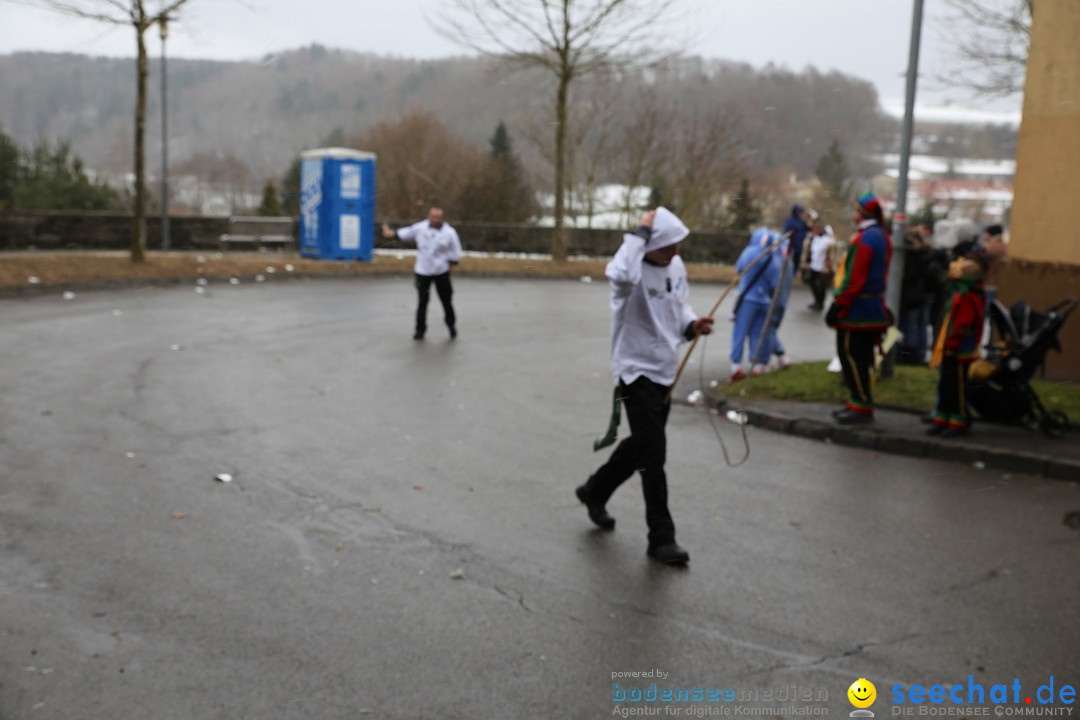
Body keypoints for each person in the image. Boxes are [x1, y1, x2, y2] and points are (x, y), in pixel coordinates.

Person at [576, 207, 713, 565]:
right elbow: (619, 273)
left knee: (641, 445)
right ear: (649, 243)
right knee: (653, 454)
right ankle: (661, 538)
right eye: (668, 246)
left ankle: (595, 490)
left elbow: (676, 306)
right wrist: (639, 234)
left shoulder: (676, 266)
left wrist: (692, 325)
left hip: (666, 369)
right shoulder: (630, 273)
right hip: (635, 372)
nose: (675, 253)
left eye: (679, 246)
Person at [826, 192, 893, 424]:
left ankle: (861, 405)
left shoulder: (865, 239)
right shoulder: (882, 235)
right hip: (872, 305)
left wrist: (839, 304)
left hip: (857, 310)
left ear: (863, 213)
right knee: (861, 358)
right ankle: (857, 403)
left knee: (851, 358)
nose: (854, 215)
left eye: (856, 211)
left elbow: (855, 279)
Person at [927, 252, 989, 437]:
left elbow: (962, 324)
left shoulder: (968, 297)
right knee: (946, 385)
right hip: (950, 347)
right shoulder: (960, 295)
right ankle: (942, 417)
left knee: (957, 387)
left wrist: (952, 344)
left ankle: (958, 420)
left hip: (959, 349)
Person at [382, 207, 463, 340]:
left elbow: (456, 250)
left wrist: (452, 263)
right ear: (429, 216)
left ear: (442, 218)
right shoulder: (420, 228)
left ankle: (451, 326)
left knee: (446, 301)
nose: (436, 220)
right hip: (423, 271)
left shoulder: (449, 232)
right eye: (433, 217)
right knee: (422, 303)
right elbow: (405, 233)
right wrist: (391, 233)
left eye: (439, 217)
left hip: (441, 272)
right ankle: (420, 330)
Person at [729, 228, 780, 381]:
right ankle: (758, 364)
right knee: (759, 333)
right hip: (764, 301)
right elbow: (774, 284)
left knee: (740, 332)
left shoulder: (749, 252)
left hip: (747, 300)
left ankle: (736, 365)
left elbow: (739, 269)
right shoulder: (774, 258)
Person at [802, 218, 836, 312]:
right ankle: (817, 301)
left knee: (822, 286)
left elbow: (832, 249)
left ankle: (820, 303)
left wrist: (828, 263)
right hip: (814, 265)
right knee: (812, 283)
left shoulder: (827, 239)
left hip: (822, 267)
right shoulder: (816, 238)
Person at [782, 204, 811, 268]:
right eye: (798, 211)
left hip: (800, 246)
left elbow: (808, 229)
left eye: (800, 211)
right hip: (792, 246)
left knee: (797, 262)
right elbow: (786, 232)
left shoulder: (801, 221)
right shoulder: (790, 221)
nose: (799, 213)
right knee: (789, 263)